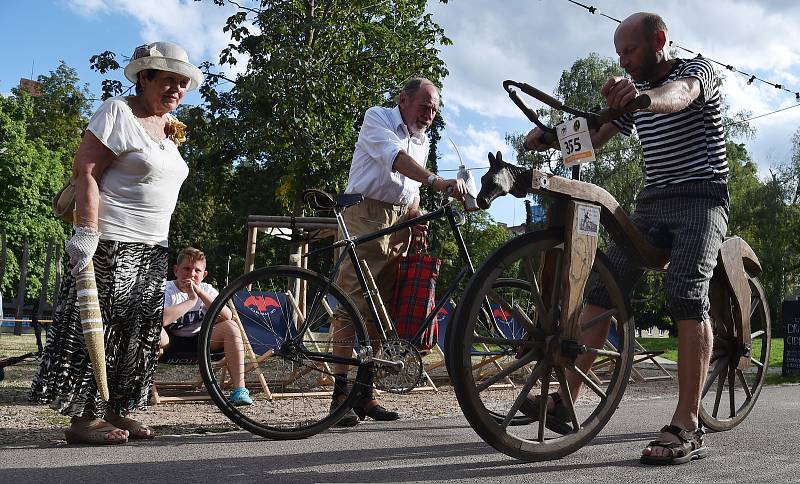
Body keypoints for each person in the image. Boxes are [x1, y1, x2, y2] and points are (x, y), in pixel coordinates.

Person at [524, 12, 728, 465]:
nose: (624, 60)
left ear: (659, 40)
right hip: (653, 202)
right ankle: (567, 400)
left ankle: (687, 423)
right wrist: (551, 138)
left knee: (685, 293)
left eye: (630, 51)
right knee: (603, 287)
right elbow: (595, 136)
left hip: (702, 198)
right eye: (619, 54)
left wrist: (641, 98)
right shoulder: (634, 93)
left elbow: (679, 96)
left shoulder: (696, 71)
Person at [30, 41, 203, 445]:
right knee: (96, 330)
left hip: (153, 246)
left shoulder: (170, 129)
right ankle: (85, 418)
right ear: (144, 77)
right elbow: (86, 169)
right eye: (167, 81)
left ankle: (119, 408)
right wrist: (87, 233)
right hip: (110, 241)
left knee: (138, 334)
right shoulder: (118, 112)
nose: (176, 90)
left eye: (181, 83)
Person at [329, 77, 468, 426]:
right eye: (424, 106)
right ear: (404, 100)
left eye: (434, 109)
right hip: (364, 213)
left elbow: (410, 190)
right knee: (352, 304)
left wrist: (416, 214)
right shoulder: (377, 117)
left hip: (399, 222)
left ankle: (366, 394)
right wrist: (437, 181)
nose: (429, 114)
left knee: (383, 309)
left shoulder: (421, 139)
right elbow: (395, 159)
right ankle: (340, 396)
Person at [160, 247, 252, 406]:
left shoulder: (207, 290)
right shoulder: (167, 289)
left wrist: (200, 294)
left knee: (231, 326)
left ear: (204, 275)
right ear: (176, 270)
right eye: (186, 269)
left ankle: (239, 390)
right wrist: (190, 300)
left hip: (201, 341)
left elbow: (227, 315)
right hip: (170, 342)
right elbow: (162, 320)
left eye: (197, 270)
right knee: (152, 329)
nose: (191, 274)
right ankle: (140, 388)